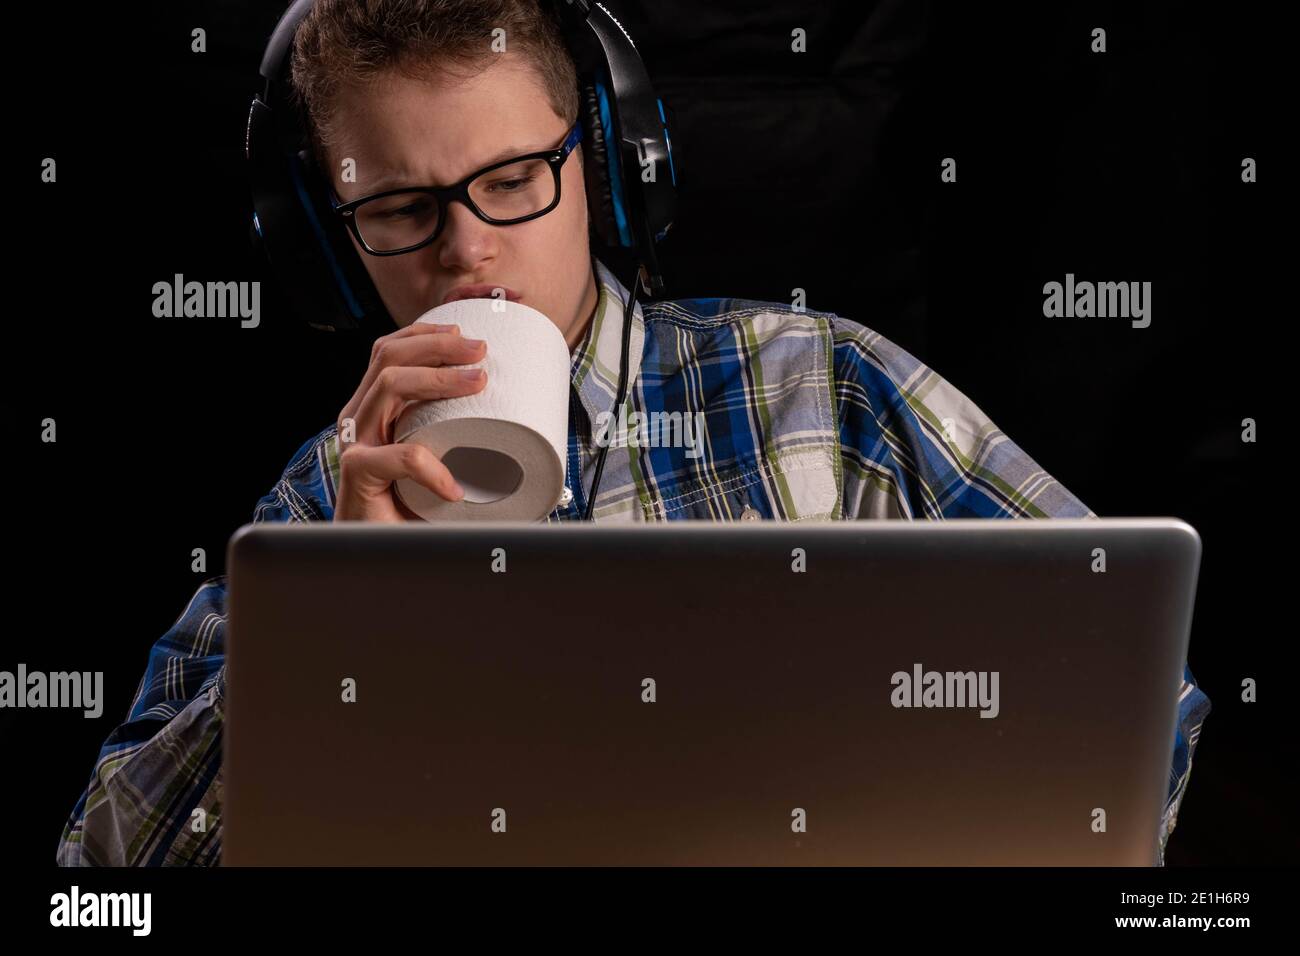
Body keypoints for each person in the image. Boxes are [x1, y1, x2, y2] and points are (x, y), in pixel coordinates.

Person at [56, 0, 1210, 866]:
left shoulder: (829, 390)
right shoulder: (318, 510)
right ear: (330, 237)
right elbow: (101, 877)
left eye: (510, 179)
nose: (466, 252)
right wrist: (332, 622)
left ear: (605, 166)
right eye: (403, 208)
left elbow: (1137, 697)